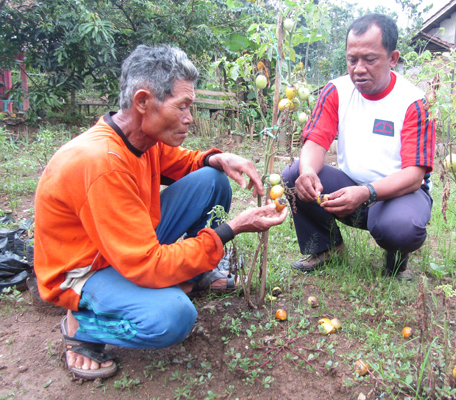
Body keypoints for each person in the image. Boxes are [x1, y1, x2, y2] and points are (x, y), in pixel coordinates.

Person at [33, 45, 287, 380]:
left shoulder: (140, 138)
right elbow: (146, 264)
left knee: (212, 180)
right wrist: (232, 229)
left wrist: (218, 159)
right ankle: (83, 326)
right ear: (143, 102)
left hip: (122, 247)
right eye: (182, 106)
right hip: (87, 268)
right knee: (173, 316)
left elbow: (183, 162)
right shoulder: (101, 164)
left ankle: (194, 274)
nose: (189, 117)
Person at [282, 13, 435, 277]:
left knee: (401, 226)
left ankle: (396, 263)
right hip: (350, 189)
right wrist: (308, 172)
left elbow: (414, 177)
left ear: (393, 59)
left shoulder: (414, 102)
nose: (358, 68)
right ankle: (326, 248)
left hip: (398, 196)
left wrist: (367, 193)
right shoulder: (337, 91)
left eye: (370, 59)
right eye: (352, 60)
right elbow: (315, 143)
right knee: (295, 174)